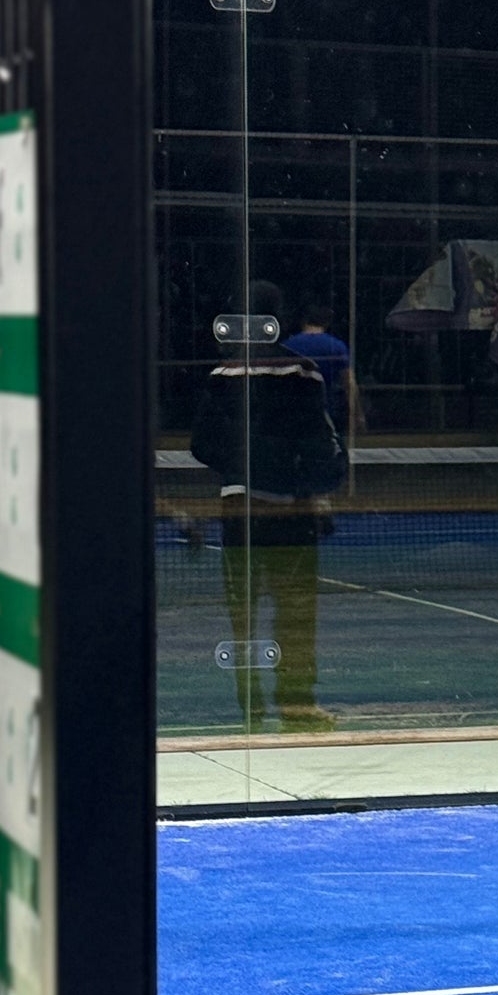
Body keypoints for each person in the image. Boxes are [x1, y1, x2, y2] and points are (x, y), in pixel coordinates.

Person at [189, 279, 348, 729]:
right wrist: (310, 483)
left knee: (242, 615)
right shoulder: (302, 373)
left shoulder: (222, 376)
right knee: (295, 611)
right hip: (289, 513)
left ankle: (251, 709)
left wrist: (241, 468)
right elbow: (322, 445)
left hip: (237, 510)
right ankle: (297, 707)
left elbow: (201, 444)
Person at [285, 300, 364, 441]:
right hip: (325, 410)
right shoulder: (336, 346)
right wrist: (357, 414)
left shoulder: (288, 345)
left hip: (293, 411)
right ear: (326, 322)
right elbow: (349, 383)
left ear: (303, 320)